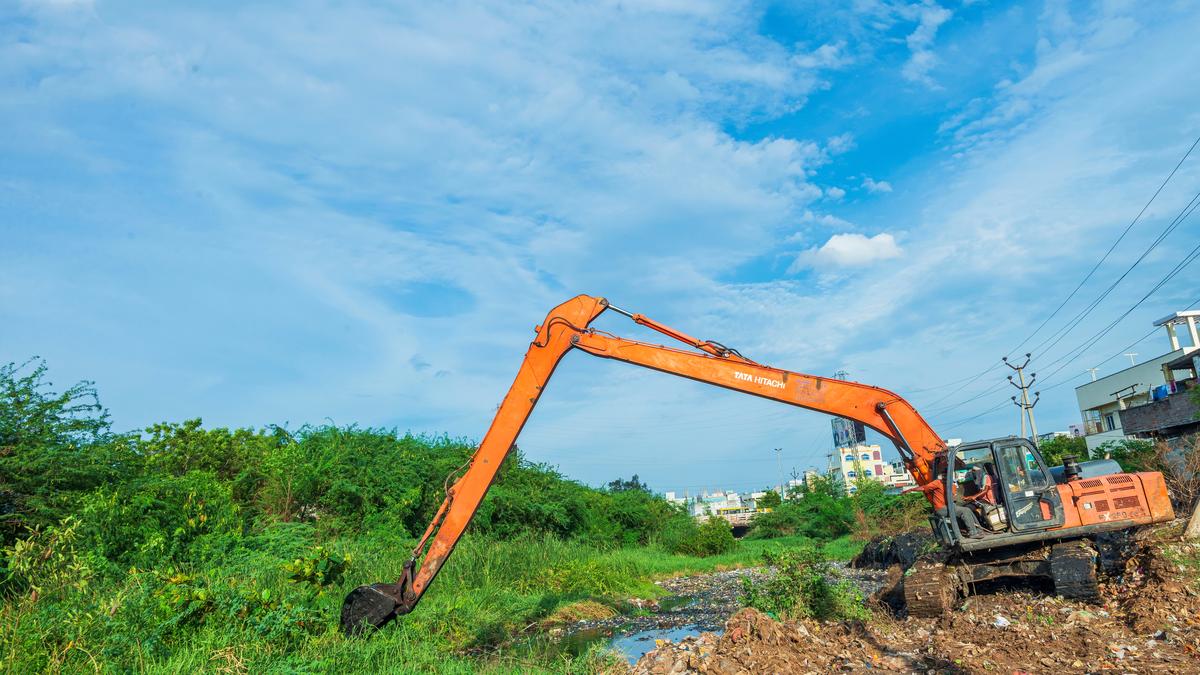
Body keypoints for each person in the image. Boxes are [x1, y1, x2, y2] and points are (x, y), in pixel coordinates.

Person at [914, 463, 985, 539]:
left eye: (947, 476)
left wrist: (964, 499)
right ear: (941, 476)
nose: (945, 477)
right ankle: (973, 533)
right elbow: (924, 488)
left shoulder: (952, 485)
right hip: (941, 508)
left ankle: (979, 530)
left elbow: (953, 497)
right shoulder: (937, 483)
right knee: (964, 511)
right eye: (943, 476)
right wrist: (911, 489)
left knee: (968, 509)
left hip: (949, 506)